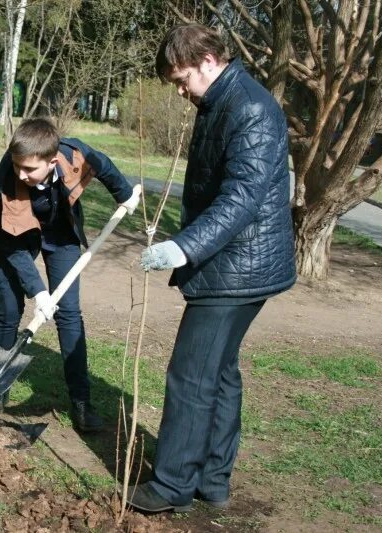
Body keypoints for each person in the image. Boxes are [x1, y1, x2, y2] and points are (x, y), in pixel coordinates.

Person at [125, 24, 296, 513]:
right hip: (236, 261)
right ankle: (213, 479)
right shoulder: (221, 99)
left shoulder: (250, 108)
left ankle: (171, 485)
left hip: (238, 266)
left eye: (181, 79)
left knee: (191, 373)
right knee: (219, 373)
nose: (179, 92)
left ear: (206, 59)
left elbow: (241, 196)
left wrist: (184, 247)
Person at [0, 117, 140, 432]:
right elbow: (13, 247)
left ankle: (81, 403)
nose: (21, 174)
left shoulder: (75, 154)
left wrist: (125, 195)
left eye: (29, 169)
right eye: (17, 166)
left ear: (52, 160)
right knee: (10, 308)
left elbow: (104, 165)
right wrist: (39, 293)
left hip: (60, 231)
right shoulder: (6, 181)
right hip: (14, 236)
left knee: (69, 312)